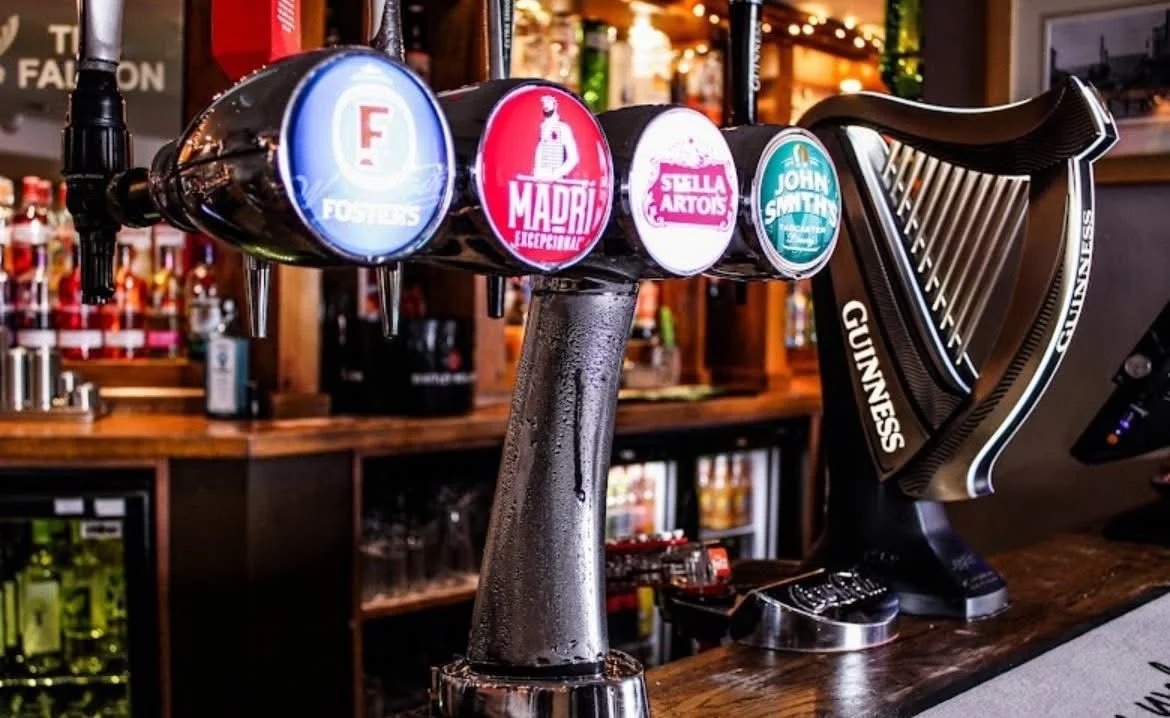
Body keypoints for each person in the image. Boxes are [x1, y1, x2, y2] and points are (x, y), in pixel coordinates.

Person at [532, 95, 580, 181]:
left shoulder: (563, 127)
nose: (546, 105)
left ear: (555, 105)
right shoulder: (542, 127)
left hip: (555, 183)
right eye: (544, 103)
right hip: (539, 182)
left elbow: (574, 158)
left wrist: (555, 175)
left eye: (549, 102)